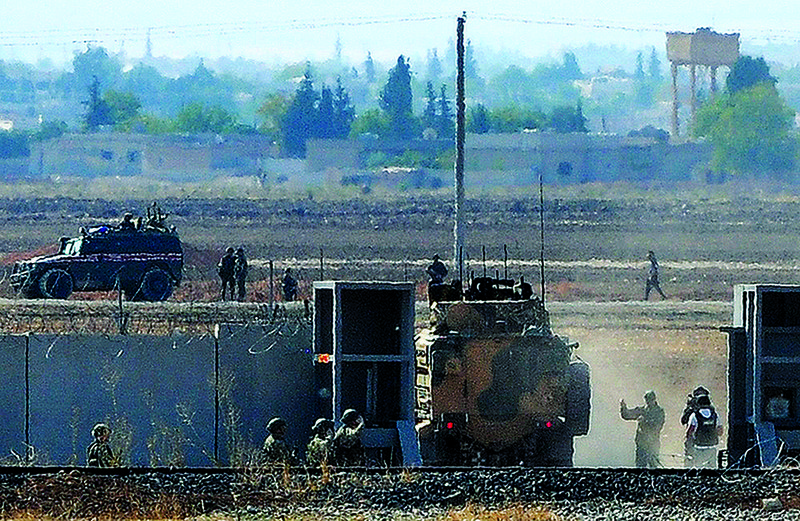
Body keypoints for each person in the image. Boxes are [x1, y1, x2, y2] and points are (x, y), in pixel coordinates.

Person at [620, 390, 665, 468]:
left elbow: (658, 426)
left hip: (653, 442)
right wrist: (623, 407)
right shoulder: (642, 410)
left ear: (654, 399)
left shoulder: (659, 411)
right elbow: (627, 415)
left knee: (653, 465)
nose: (648, 402)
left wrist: (645, 421)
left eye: (650, 400)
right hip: (641, 442)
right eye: (647, 400)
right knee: (640, 465)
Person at [685, 394, 723, 468]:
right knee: (712, 470)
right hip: (712, 447)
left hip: (699, 447)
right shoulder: (715, 415)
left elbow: (689, 431)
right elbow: (720, 431)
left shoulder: (695, 415)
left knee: (699, 469)